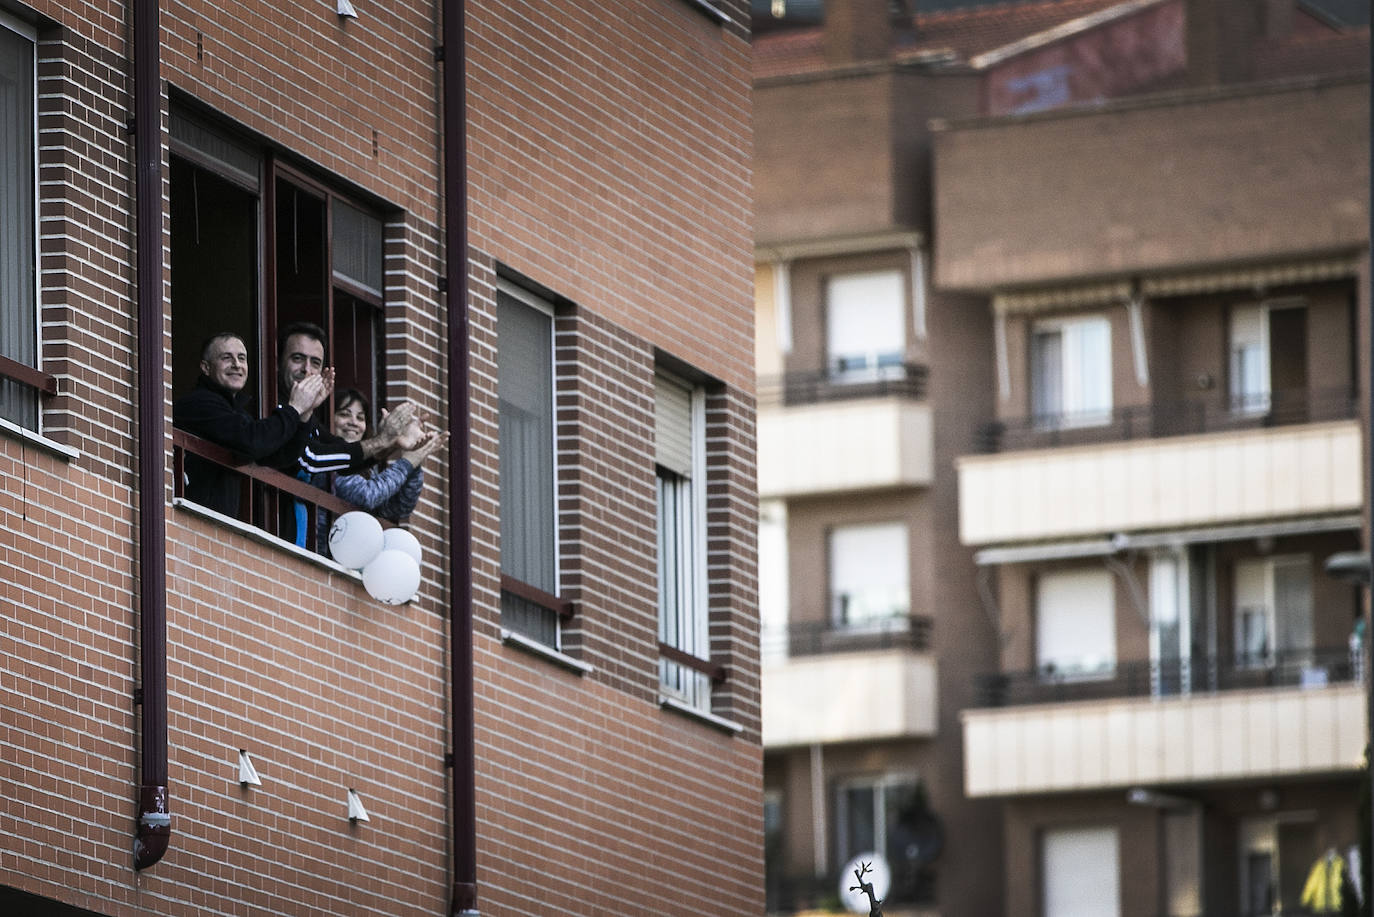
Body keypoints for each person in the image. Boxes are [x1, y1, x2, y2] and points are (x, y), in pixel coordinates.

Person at [173, 328, 415, 531]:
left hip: (228, 531)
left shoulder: (244, 410)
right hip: (202, 527)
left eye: (315, 363)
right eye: (227, 358)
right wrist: (295, 409)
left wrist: (387, 442)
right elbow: (291, 453)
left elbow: (289, 456)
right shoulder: (217, 403)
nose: (307, 369)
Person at [330, 389, 448, 521]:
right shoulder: (328, 458)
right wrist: (407, 463)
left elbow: (399, 508)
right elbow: (367, 496)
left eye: (360, 418)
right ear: (329, 417)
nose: (353, 422)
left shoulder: (367, 470)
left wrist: (414, 455)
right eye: (344, 414)